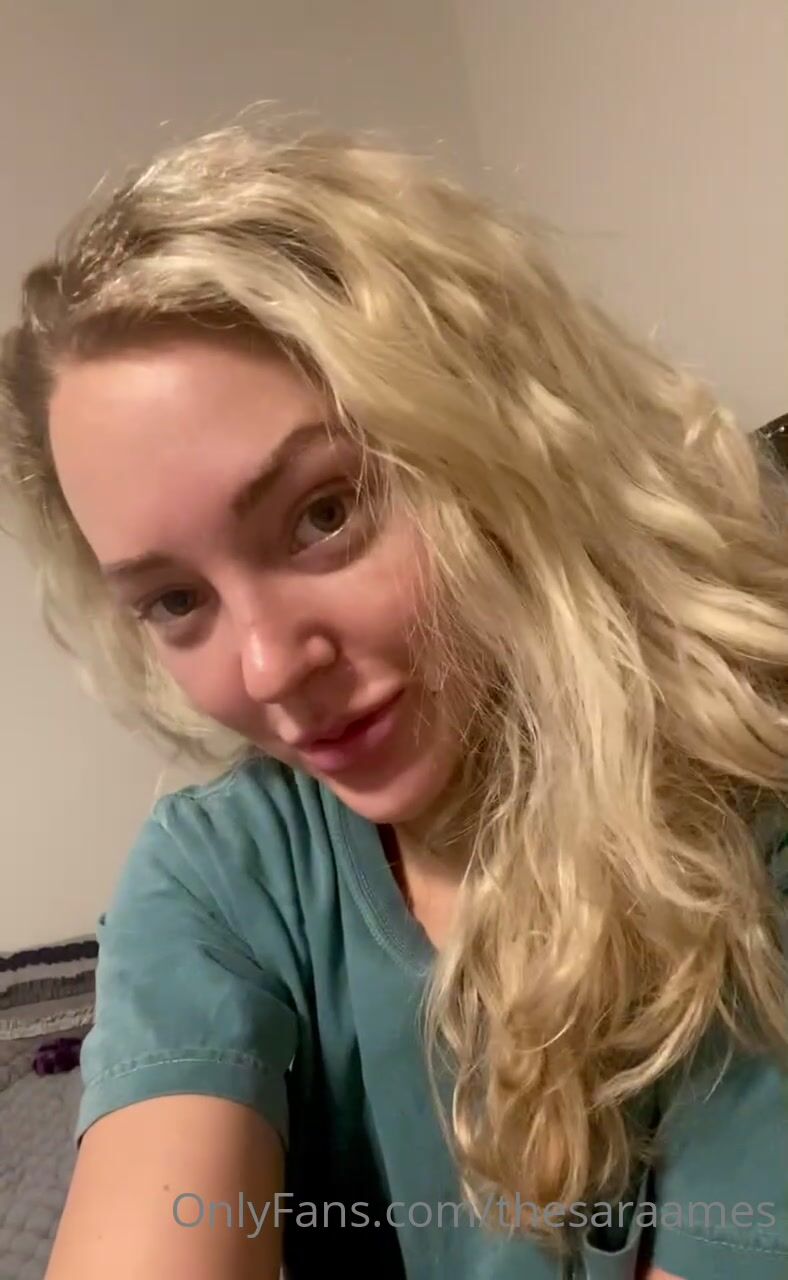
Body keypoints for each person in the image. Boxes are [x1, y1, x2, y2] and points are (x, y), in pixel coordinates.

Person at [0, 118, 786, 1280]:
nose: (267, 668)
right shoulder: (228, 867)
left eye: (322, 513)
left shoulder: (742, 834)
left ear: (503, 428)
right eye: (174, 600)